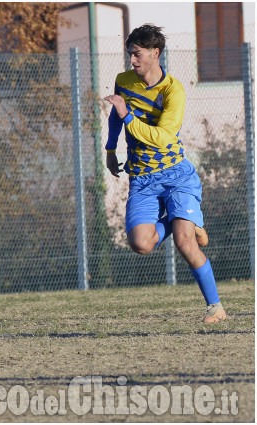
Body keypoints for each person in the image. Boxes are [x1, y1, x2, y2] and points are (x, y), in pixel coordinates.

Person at [104, 24, 226, 324]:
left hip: (175, 176)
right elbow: (115, 116)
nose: (132, 60)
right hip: (142, 180)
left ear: (155, 53)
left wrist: (127, 114)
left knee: (186, 243)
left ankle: (216, 308)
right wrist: (110, 150)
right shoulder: (124, 81)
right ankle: (178, 218)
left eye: (137, 54)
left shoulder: (174, 90)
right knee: (141, 244)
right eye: (130, 54)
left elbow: (161, 137)